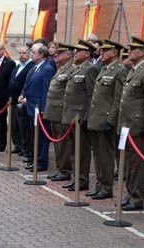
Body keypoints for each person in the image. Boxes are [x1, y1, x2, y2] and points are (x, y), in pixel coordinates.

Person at [118, 37, 144, 211]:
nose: (130, 51)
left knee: (136, 164)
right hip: (128, 124)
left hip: (138, 126)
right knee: (129, 163)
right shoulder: (133, 70)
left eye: (134, 49)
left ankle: (137, 198)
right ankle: (130, 194)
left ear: (142, 52)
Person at [87, 39, 127, 200]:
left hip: (105, 121)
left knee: (106, 156)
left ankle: (106, 187)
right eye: (101, 50)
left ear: (115, 53)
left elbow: (118, 100)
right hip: (96, 119)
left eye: (105, 50)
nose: (101, 53)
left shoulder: (120, 70)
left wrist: (110, 120)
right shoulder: (104, 69)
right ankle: (99, 184)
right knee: (97, 156)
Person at [61, 40, 100, 192]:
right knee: (73, 149)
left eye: (79, 51)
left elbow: (91, 95)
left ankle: (82, 180)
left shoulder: (89, 69)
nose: (75, 53)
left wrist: (86, 115)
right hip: (71, 115)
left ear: (87, 54)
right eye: (75, 50)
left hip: (80, 116)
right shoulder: (76, 68)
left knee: (82, 151)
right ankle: (75, 178)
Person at [43, 43, 76, 182]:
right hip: (54, 112)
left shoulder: (71, 69)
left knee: (64, 144)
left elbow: (69, 93)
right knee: (57, 143)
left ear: (68, 55)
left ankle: (65, 170)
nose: (56, 55)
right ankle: (60, 168)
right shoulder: (61, 68)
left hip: (62, 112)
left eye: (60, 53)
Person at [20, 43, 55, 172]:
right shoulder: (36, 67)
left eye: (34, 53)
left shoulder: (47, 68)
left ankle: (41, 161)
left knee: (41, 137)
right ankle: (35, 159)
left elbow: (46, 90)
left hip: (40, 109)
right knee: (35, 136)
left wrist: (44, 109)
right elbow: (30, 85)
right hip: (31, 107)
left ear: (41, 54)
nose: (31, 55)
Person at [8, 46, 34, 156]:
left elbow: (26, 84)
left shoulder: (31, 66)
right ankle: (17, 145)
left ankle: (25, 147)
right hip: (14, 100)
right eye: (20, 53)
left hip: (23, 101)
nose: (21, 55)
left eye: (24, 53)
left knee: (24, 126)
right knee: (15, 125)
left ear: (29, 54)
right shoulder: (18, 66)